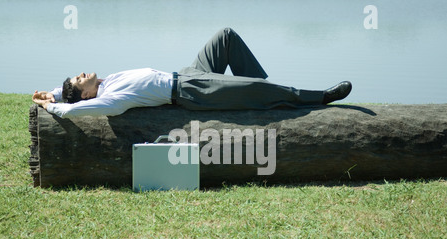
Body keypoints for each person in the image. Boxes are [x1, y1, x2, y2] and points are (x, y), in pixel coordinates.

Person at [32, 28, 352, 118]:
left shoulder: (106, 81)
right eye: (78, 79)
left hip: (187, 73)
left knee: (225, 37)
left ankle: (260, 90)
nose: (81, 73)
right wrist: (54, 106)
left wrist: (55, 92)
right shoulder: (111, 99)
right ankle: (319, 98)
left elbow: (68, 96)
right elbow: (75, 111)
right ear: (86, 94)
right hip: (190, 92)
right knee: (253, 86)